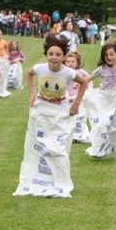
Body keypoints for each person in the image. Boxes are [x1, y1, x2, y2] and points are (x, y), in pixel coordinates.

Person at [13, 36, 88, 198]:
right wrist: (32, 93)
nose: (54, 57)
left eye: (58, 54)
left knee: (57, 145)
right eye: (51, 54)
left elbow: (84, 83)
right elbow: (29, 73)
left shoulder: (68, 72)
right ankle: (39, 177)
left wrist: (76, 104)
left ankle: (59, 179)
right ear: (46, 54)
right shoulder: (40, 68)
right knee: (38, 144)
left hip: (60, 110)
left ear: (63, 57)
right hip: (42, 109)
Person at [83, 42, 116, 159]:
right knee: (101, 124)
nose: (109, 58)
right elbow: (90, 77)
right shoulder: (102, 69)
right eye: (106, 55)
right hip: (104, 100)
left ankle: (112, 147)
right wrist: (79, 83)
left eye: (111, 55)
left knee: (115, 125)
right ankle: (100, 148)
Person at [66, 51, 93, 143]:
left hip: (78, 97)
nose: (70, 64)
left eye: (73, 62)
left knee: (80, 116)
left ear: (77, 63)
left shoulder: (80, 72)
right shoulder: (64, 72)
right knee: (68, 116)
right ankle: (70, 135)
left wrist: (88, 91)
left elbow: (89, 80)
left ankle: (81, 135)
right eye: (68, 61)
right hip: (67, 98)